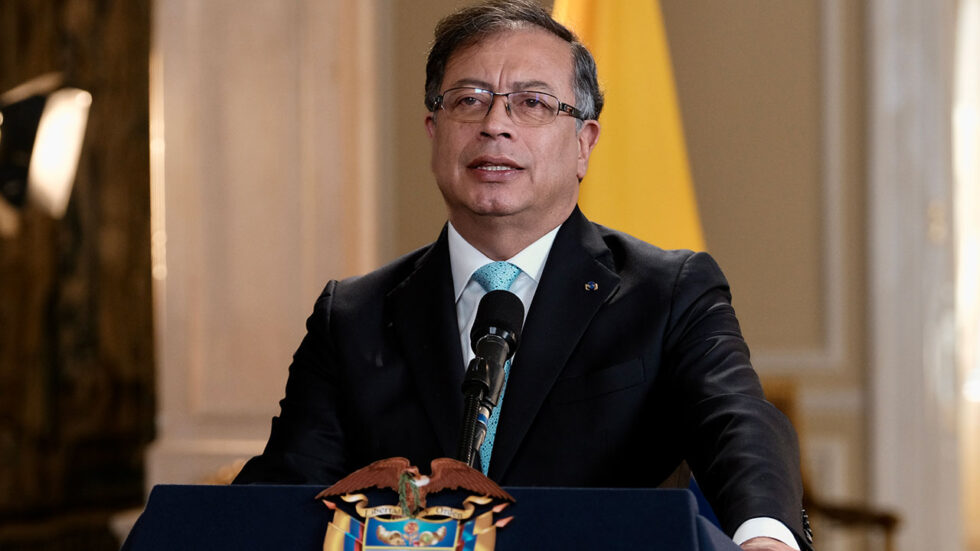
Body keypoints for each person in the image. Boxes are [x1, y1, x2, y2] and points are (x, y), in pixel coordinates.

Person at [234, 2, 812, 550]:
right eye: (469, 100)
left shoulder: (668, 292)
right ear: (434, 131)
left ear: (584, 143)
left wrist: (763, 534)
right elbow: (284, 495)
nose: (495, 125)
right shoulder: (352, 316)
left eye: (532, 103)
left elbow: (737, 424)